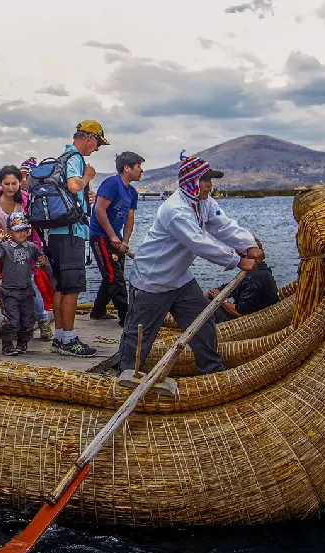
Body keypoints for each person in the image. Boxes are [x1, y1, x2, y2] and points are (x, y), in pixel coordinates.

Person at [120, 154, 263, 376]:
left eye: (210, 180)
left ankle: (212, 369)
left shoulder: (203, 203)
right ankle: (126, 376)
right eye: (205, 180)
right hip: (153, 280)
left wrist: (249, 245)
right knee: (139, 334)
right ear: (192, 182)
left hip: (180, 278)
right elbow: (199, 242)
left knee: (203, 322)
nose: (210, 185)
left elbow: (223, 226)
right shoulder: (175, 210)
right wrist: (237, 260)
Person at [46, 120, 108, 358]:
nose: (96, 149)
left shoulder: (61, 157)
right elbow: (73, 185)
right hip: (71, 232)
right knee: (71, 289)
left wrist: (84, 194)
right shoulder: (75, 159)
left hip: (56, 233)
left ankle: (60, 336)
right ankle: (69, 340)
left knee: (61, 286)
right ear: (89, 138)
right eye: (98, 143)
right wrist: (87, 176)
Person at [0, 164, 53, 341]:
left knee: (28, 282)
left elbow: (35, 222)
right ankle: (12, 320)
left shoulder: (25, 199)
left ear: (19, 182)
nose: (10, 187)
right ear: (0, 183)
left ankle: (42, 320)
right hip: (3, 247)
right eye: (6, 183)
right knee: (5, 284)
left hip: (25, 246)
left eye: (14, 183)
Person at [89, 151, 144, 325]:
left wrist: (125, 241)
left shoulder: (132, 192)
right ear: (127, 168)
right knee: (115, 277)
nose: (141, 170)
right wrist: (111, 236)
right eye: (138, 167)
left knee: (112, 273)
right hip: (101, 237)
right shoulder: (112, 183)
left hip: (117, 239)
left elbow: (129, 218)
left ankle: (98, 311)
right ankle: (125, 317)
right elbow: (99, 210)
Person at [0, 212, 53, 356]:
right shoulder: (5, 246)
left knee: (28, 320)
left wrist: (43, 260)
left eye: (25, 230)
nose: (22, 233)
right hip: (10, 291)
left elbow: (42, 260)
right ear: (10, 231)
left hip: (26, 290)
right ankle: (7, 343)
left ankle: (22, 343)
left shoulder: (30, 246)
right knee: (12, 321)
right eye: (18, 230)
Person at [208, 251, 279, 322]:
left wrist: (221, 299)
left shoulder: (253, 278)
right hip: (261, 311)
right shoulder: (263, 270)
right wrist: (214, 292)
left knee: (206, 306)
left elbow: (240, 313)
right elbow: (234, 286)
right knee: (205, 300)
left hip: (253, 321)